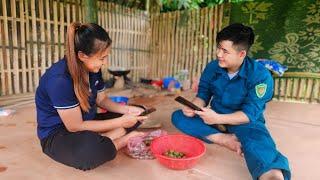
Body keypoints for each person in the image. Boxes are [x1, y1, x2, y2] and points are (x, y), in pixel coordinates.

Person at [171, 23, 291, 180]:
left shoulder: (260, 76)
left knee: (257, 142)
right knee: (179, 116)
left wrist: (218, 118)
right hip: (213, 117)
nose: (218, 54)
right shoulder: (213, 67)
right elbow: (203, 95)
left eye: (225, 51)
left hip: (242, 121)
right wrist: (194, 106)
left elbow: (249, 114)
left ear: (241, 54)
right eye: (219, 48)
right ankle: (224, 139)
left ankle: (271, 175)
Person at [35, 22, 148, 170]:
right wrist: (120, 122)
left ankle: (107, 137)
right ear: (82, 55)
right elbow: (75, 126)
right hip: (58, 134)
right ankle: (121, 140)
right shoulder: (59, 80)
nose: (105, 63)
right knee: (90, 153)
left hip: (86, 121)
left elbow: (101, 99)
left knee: (139, 111)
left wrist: (127, 111)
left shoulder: (93, 69)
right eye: (102, 58)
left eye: (106, 57)